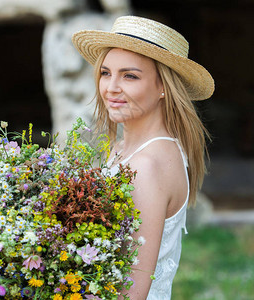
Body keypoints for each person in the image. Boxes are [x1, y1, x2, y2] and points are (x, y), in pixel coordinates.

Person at [72, 16, 214, 299]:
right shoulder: (124, 149)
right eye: (105, 73)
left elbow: (131, 292)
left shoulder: (147, 166)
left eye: (130, 76)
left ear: (163, 87)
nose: (111, 88)